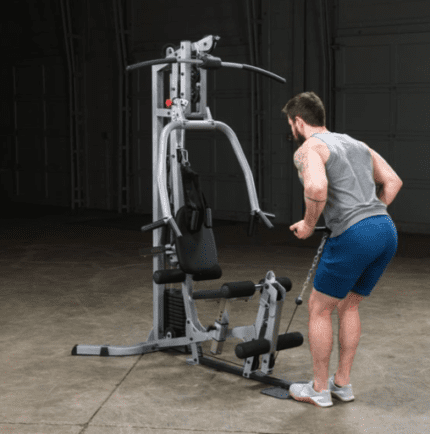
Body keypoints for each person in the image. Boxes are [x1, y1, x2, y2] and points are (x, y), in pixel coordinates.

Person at [281, 92, 402, 408]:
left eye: (290, 124)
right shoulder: (356, 144)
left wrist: (308, 225)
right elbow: (393, 182)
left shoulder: (310, 147)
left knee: (320, 309)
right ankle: (342, 385)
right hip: (385, 230)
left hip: (354, 234)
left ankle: (319, 389)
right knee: (350, 306)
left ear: (298, 121)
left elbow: (316, 188)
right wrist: (370, 217)